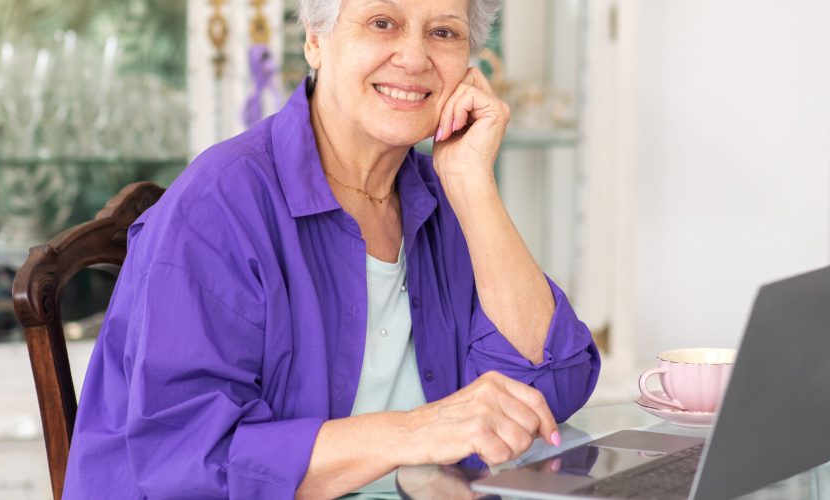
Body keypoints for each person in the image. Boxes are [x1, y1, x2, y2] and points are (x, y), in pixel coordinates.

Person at [63, 0, 600, 497]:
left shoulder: (442, 196)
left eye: (443, 32)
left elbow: (551, 384)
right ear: (314, 40)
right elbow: (189, 461)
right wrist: (413, 432)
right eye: (382, 22)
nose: (414, 58)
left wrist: (473, 185)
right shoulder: (217, 207)